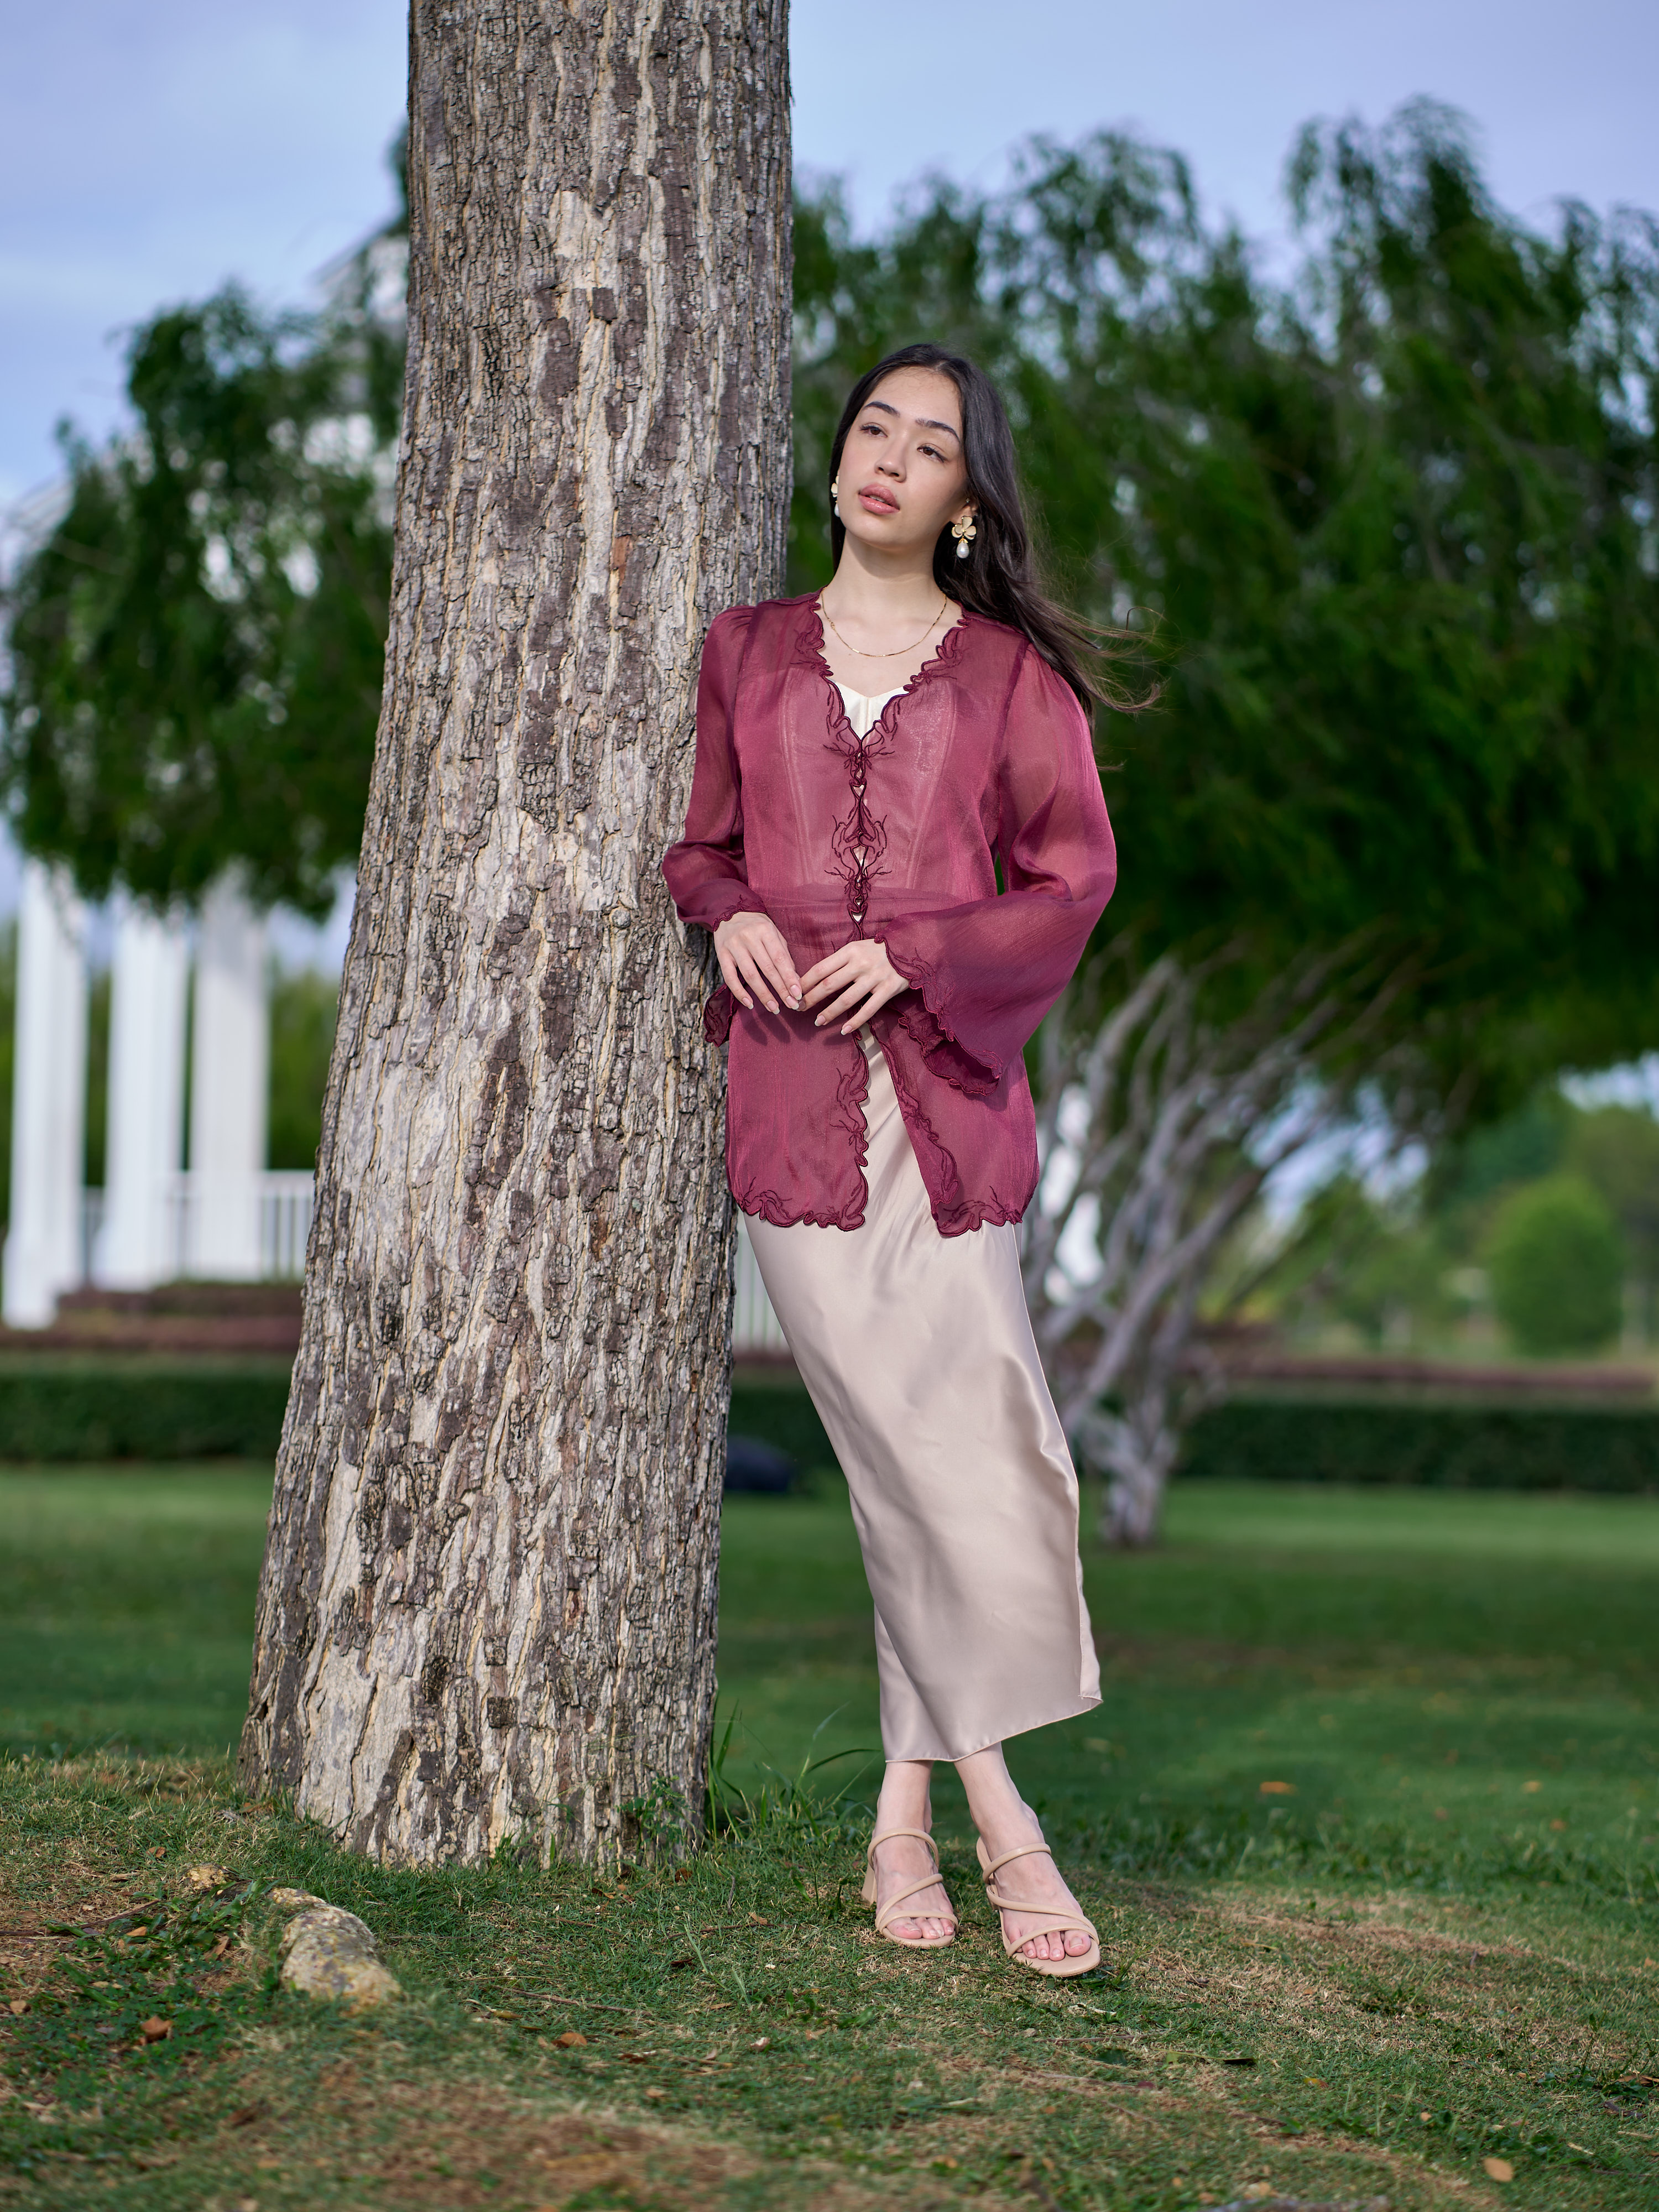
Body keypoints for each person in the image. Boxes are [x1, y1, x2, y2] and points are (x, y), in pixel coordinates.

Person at [662, 342, 1129, 1978]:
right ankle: (1013, 1827)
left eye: (930, 446)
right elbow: (707, 846)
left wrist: (921, 949)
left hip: (946, 1105)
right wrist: (723, 916)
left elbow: (1071, 881)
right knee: (890, 1454)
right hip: (795, 1107)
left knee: (971, 1436)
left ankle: (898, 1822)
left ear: (964, 498)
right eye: (874, 427)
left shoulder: (1009, 681)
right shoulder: (748, 651)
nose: (888, 459)